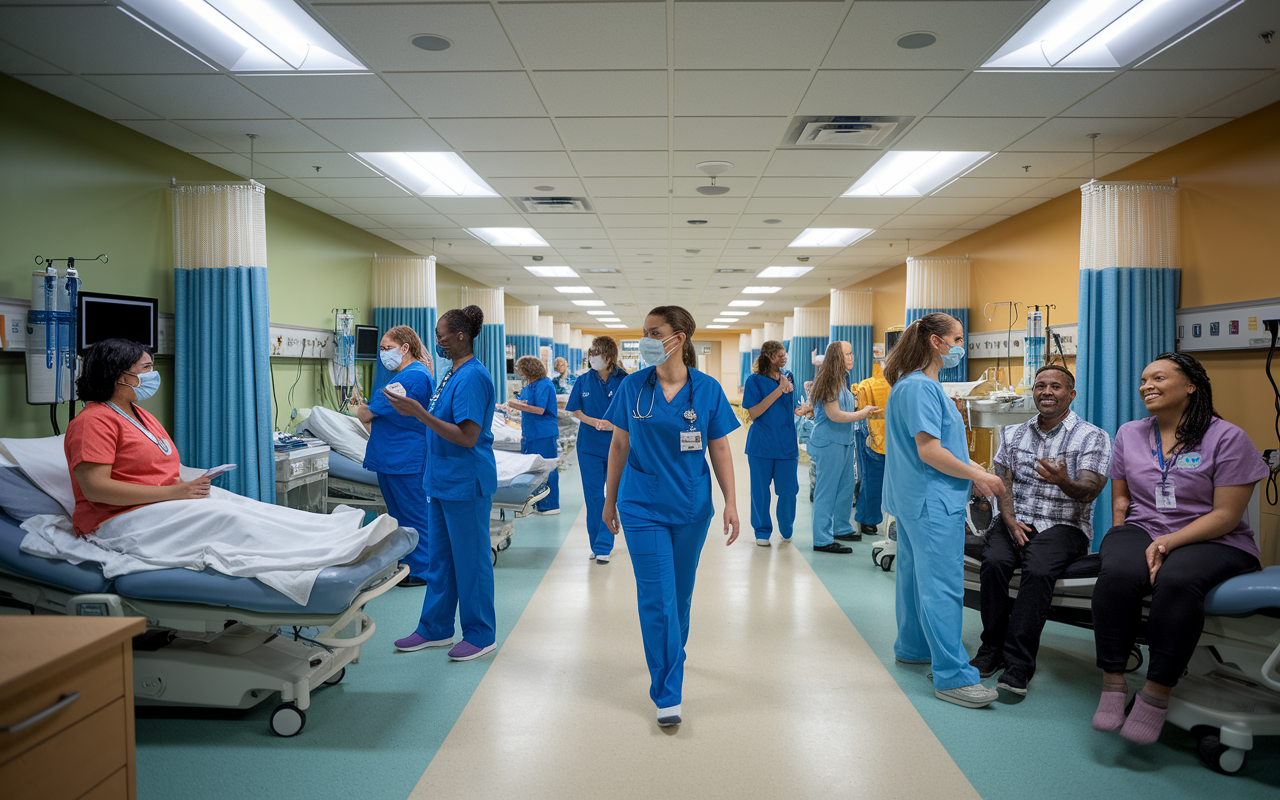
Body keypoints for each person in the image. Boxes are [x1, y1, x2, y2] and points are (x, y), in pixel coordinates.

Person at [1090, 352, 1267, 744]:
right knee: (1117, 572)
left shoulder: (1227, 437)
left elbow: (1226, 515)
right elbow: (1121, 499)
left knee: (1177, 580)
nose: (1146, 386)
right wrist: (1121, 538)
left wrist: (1167, 542)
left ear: (1191, 386)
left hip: (1216, 538)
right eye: (1143, 380)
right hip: (1143, 527)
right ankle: (1114, 684)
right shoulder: (1129, 434)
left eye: (1158, 378)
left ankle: (1155, 694)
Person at [602, 305, 740, 728]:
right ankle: (667, 692)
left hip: (690, 505)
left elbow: (719, 447)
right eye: (643, 332)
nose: (644, 339)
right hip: (641, 504)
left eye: (653, 332)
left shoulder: (708, 389)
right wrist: (609, 500)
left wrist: (731, 501)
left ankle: (672, 653)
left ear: (678, 338)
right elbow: (620, 445)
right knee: (657, 598)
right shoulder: (632, 388)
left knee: (679, 595)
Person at [882, 313, 1005, 709]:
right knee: (942, 586)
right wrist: (980, 475)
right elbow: (930, 451)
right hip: (932, 501)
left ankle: (914, 646)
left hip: (917, 497)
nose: (959, 347)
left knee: (914, 578)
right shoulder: (920, 387)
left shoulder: (915, 385)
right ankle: (953, 676)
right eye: (956, 339)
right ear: (936, 342)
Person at [973, 364, 1111, 695]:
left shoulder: (1092, 437)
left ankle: (1019, 662)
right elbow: (1003, 479)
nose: (1046, 391)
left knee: (1037, 570)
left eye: (1056, 386)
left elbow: (1091, 490)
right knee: (994, 564)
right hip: (1016, 519)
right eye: (1040, 386)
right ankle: (991, 649)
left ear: (1071, 395)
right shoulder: (1013, 433)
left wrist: (1064, 481)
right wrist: (1007, 518)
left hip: (1064, 525)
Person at [386, 306, 500, 662]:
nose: (437, 341)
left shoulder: (472, 378)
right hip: (441, 480)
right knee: (441, 560)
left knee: (471, 562)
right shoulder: (451, 375)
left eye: (441, 335)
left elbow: (468, 437)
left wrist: (418, 412)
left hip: (465, 481)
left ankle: (481, 634)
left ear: (461, 336)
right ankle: (435, 628)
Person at [64, 339, 212, 535]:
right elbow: (95, 488)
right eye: (147, 367)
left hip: (158, 507)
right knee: (231, 522)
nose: (153, 374)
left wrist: (184, 487)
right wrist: (175, 492)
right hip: (116, 519)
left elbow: (149, 472)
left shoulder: (140, 414)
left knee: (244, 513)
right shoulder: (92, 422)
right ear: (121, 376)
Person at [354, 326, 435, 587]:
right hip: (393, 457)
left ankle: (421, 569)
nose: (383, 354)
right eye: (381, 349)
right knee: (401, 515)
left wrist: (365, 409)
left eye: (387, 348)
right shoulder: (409, 374)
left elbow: (365, 414)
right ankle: (411, 565)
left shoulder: (411, 378)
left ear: (405, 348)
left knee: (413, 514)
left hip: (405, 457)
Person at [808, 340, 879, 553]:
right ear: (837, 358)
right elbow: (835, 415)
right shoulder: (829, 381)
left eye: (851, 353)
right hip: (829, 443)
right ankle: (821, 539)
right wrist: (863, 413)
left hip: (844, 441)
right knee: (827, 491)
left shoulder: (842, 380)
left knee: (846, 488)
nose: (852, 357)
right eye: (847, 354)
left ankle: (840, 527)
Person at [566, 336, 627, 563]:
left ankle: (606, 540)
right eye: (590, 354)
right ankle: (599, 544)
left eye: (596, 354)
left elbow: (633, 412)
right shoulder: (583, 381)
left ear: (609, 358)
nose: (591, 358)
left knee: (615, 496)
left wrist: (615, 424)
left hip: (618, 446)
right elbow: (575, 409)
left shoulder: (625, 381)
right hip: (589, 446)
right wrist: (594, 422)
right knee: (593, 497)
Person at [743, 340, 810, 546]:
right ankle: (762, 531)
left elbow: (788, 410)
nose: (785, 358)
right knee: (760, 491)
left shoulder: (788, 377)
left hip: (787, 445)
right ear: (769, 356)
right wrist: (779, 390)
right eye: (780, 355)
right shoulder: (753, 381)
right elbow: (754, 412)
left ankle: (786, 527)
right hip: (761, 445)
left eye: (785, 354)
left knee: (789, 490)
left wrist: (804, 409)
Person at [502, 355, 560, 515]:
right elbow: (527, 404)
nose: (518, 372)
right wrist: (511, 405)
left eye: (520, 368)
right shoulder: (530, 386)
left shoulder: (544, 385)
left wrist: (515, 404)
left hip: (543, 434)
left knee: (546, 469)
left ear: (529, 368)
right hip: (530, 434)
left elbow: (539, 409)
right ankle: (537, 503)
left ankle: (550, 505)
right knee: (533, 470)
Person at [854, 362, 891, 537]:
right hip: (898, 439)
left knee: (872, 480)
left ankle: (868, 521)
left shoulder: (865, 385)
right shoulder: (905, 383)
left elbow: (860, 411)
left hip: (873, 437)